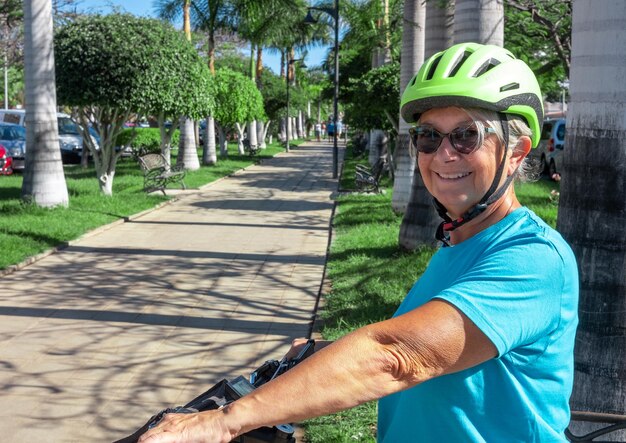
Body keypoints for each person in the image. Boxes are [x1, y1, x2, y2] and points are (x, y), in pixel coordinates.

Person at [138, 42, 579, 443]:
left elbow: (400, 354)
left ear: (517, 151)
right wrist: (320, 355)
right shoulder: (457, 243)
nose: (444, 155)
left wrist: (224, 420)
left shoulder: (533, 258)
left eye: (466, 136)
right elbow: (431, 344)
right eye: (428, 136)